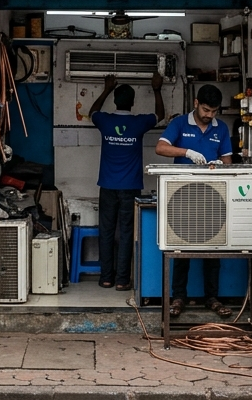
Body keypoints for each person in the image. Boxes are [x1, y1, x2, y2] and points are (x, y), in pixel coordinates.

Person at [155, 83, 233, 318]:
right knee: (182, 248)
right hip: (183, 197)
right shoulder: (179, 123)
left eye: (214, 111)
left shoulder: (221, 129)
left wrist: (219, 165)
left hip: (212, 198)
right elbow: (160, 148)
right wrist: (186, 152)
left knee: (214, 247)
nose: (210, 115)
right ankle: (178, 297)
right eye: (206, 110)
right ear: (196, 103)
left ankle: (212, 297)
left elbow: (228, 160)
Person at [89, 73, 165, 291]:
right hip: (130, 187)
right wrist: (156, 89)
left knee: (106, 231)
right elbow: (160, 114)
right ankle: (122, 280)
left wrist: (106, 88)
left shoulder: (105, 121)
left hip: (107, 186)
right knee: (126, 233)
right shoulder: (138, 123)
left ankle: (106, 278)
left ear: (114, 100)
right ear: (132, 103)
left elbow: (92, 112)